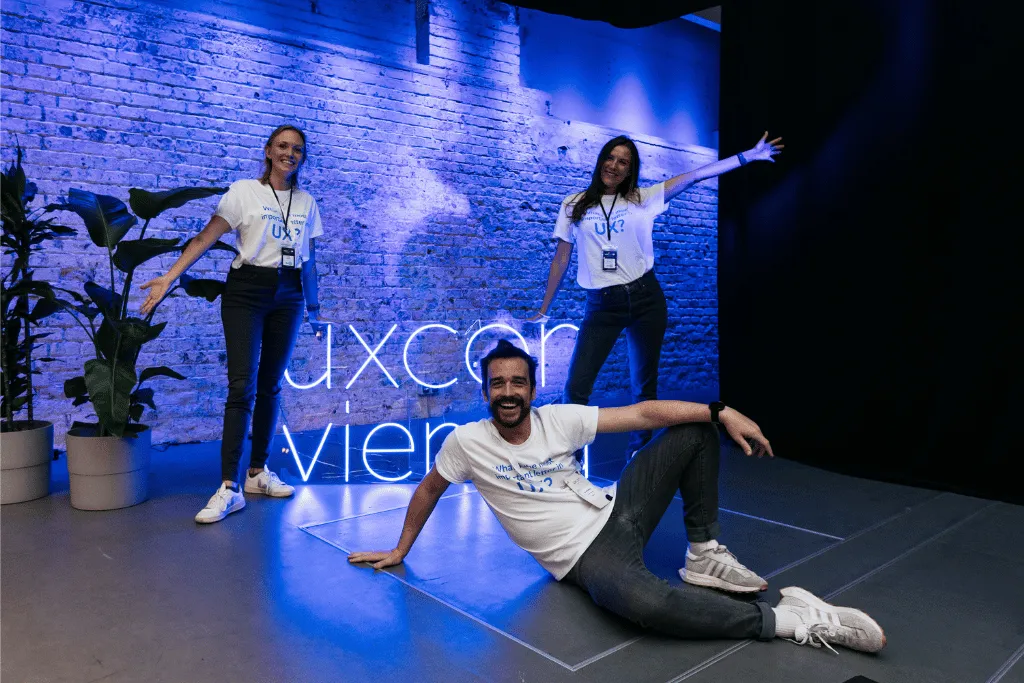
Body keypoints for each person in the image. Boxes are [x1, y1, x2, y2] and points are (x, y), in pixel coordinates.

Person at [348, 341, 885, 654]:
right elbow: (429, 488)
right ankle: (791, 619)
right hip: (586, 557)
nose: (507, 392)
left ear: (533, 389)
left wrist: (720, 412)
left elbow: (644, 413)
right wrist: (400, 550)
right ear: (485, 390)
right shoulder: (465, 443)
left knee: (693, 431)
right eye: (497, 383)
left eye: (517, 382)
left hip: (618, 508)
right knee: (645, 604)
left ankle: (703, 554)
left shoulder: (558, 419)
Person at [528, 133, 783, 457]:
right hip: (602, 306)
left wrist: (748, 155)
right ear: (601, 160)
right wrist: (544, 307)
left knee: (644, 390)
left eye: (624, 162)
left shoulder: (642, 198)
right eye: (611, 157)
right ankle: (569, 461)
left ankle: (640, 459)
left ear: (630, 170)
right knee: (575, 388)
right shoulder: (574, 205)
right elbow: (562, 257)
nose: (615, 165)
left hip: (646, 299)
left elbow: (696, 175)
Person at [140, 124, 327, 524]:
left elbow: (309, 259)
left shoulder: (307, 201)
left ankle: (257, 472)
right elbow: (206, 237)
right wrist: (169, 276)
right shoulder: (244, 191)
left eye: (297, 149)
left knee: (271, 385)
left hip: (289, 294)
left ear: (302, 157)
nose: (289, 154)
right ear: (268, 151)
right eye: (282, 146)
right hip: (247, 290)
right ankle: (229, 486)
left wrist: (313, 308)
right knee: (242, 385)